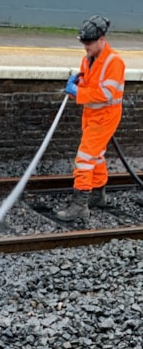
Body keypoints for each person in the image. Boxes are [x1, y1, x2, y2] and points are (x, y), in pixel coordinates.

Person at [57, 15, 125, 222]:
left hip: (105, 116)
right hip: (91, 114)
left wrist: (78, 92)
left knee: (85, 158)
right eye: (84, 43)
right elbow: (87, 86)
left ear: (101, 39)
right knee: (96, 156)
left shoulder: (114, 62)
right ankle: (97, 195)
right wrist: (74, 89)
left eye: (89, 43)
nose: (85, 47)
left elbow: (106, 94)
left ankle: (80, 205)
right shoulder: (88, 59)